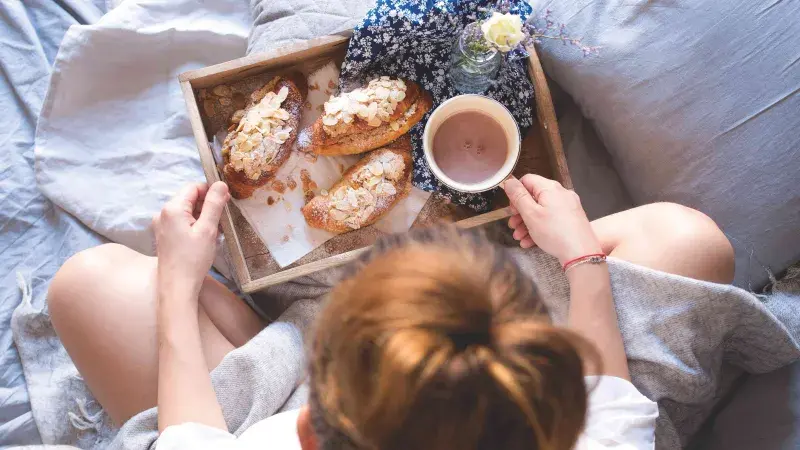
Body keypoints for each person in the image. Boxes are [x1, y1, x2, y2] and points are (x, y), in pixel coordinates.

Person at [48, 175, 734, 449]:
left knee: (87, 285)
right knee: (686, 239)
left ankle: (267, 335)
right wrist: (580, 258)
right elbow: (611, 400)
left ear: (311, 429)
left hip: (249, 413)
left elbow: (191, 435)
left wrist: (178, 282)